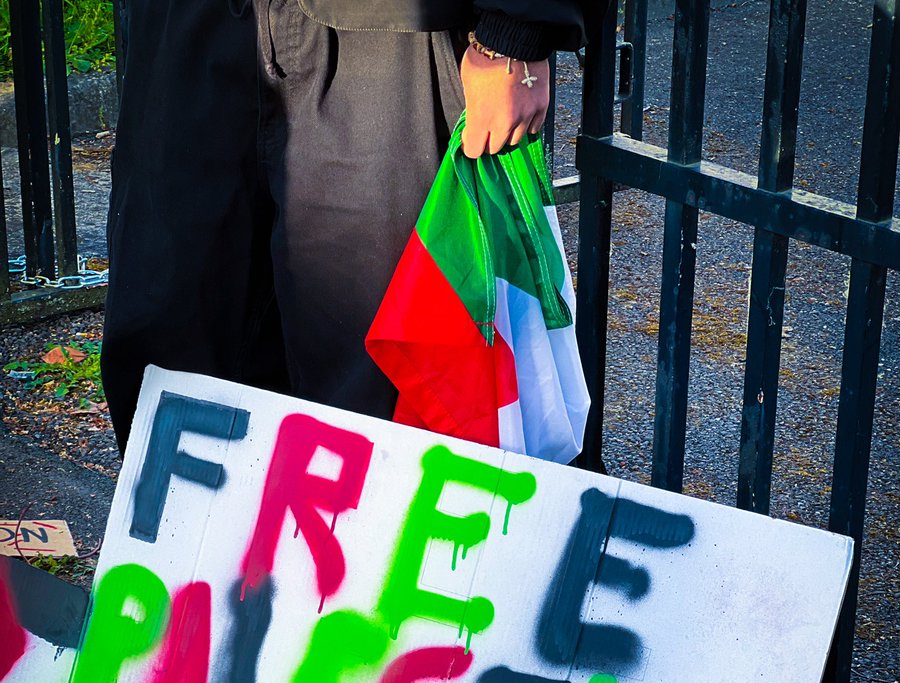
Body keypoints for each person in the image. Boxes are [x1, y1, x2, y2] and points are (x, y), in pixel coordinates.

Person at [101, 1, 594, 455]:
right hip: (187, 23)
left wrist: (517, 32)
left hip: (384, 34)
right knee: (170, 349)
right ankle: (194, 550)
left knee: (380, 386)